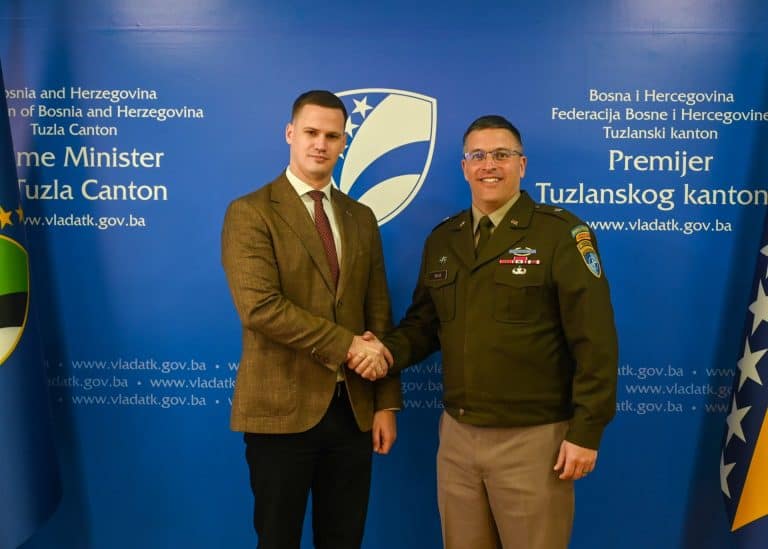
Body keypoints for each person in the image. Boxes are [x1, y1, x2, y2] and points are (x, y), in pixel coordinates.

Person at [358, 115, 618, 548]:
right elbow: (423, 327)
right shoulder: (444, 239)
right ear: (465, 168)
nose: (489, 165)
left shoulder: (560, 234)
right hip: (457, 438)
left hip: (534, 440)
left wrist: (586, 432)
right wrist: (383, 352)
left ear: (522, 165)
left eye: (501, 154)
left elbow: (596, 342)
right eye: (477, 156)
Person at [221, 90, 401, 549]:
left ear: (344, 142)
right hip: (280, 413)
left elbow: (378, 311)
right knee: (277, 539)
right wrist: (348, 345)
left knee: (344, 540)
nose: (321, 144)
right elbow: (260, 307)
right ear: (290, 133)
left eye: (332, 136)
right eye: (311, 132)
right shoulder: (251, 211)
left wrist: (385, 404)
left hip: (353, 413)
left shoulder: (361, 218)